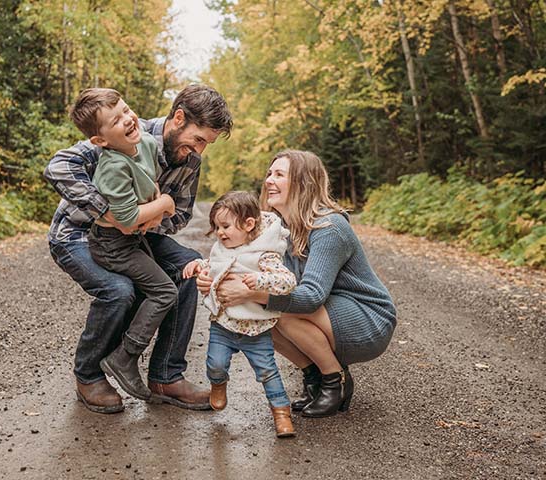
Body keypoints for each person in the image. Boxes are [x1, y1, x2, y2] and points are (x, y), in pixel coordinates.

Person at [44, 84, 232, 413]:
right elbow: (58, 167)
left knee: (189, 266)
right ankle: (88, 375)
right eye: (198, 139)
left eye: (206, 144)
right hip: (77, 234)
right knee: (119, 289)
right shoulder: (126, 134)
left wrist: (148, 217)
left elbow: (181, 216)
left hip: (134, 235)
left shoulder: (190, 163)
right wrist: (109, 213)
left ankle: (166, 377)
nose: (199, 150)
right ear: (178, 119)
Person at [197, 150, 396, 418]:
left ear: (304, 183)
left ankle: (334, 380)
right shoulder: (277, 231)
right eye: (269, 173)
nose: (269, 180)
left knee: (277, 310)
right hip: (329, 313)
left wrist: (251, 293)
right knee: (260, 318)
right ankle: (315, 377)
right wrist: (211, 279)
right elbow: (242, 264)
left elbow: (311, 296)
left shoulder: (329, 228)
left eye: (279, 174)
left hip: (368, 318)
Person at [68, 88, 178, 403]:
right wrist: (166, 204)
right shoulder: (112, 167)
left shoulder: (144, 142)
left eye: (127, 110)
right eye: (116, 121)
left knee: (159, 287)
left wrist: (156, 199)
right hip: (112, 244)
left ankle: (129, 358)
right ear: (100, 140)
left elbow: (151, 178)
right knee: (164, 291)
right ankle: (124, 357)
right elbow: (127, 218)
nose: (129, 120)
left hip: (133, 237)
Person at [183, 191, 297, 437]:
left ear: (249, 224)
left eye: (225, 226)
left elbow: (287, 282)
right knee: (215, 363)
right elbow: (215, 266)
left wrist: (260, 280)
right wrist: (199, 266)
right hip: (223, 325)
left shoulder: (265, 254)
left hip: (255, 329)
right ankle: (218, 384)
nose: (220, 232)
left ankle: (281, 413)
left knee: (267, 371)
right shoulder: (222, 247)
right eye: (216, 227)